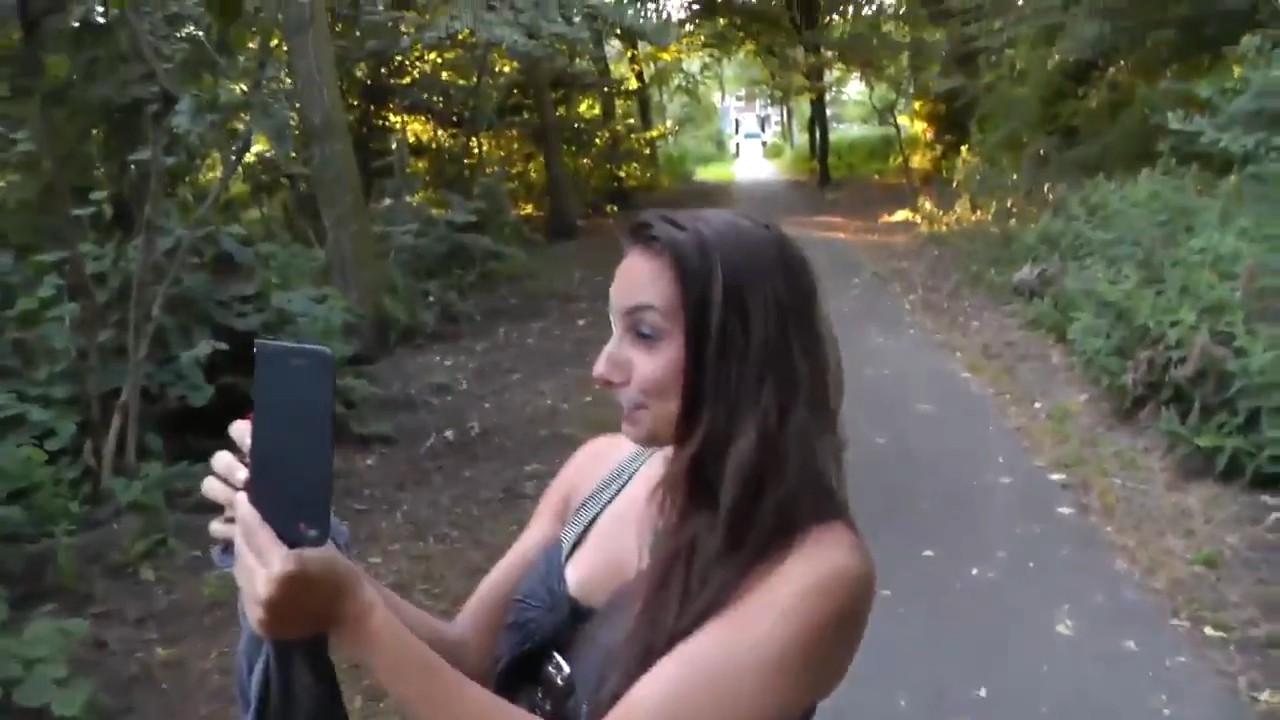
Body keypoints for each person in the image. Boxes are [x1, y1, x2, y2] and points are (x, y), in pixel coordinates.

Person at [200, 208, 876, 720]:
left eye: (643, 334)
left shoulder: (816, 573)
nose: (602, 368)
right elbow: (468, 655)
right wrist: (317, 560)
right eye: (611, 329)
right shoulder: (598, 471)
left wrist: (354, 614)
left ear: (740, 353)